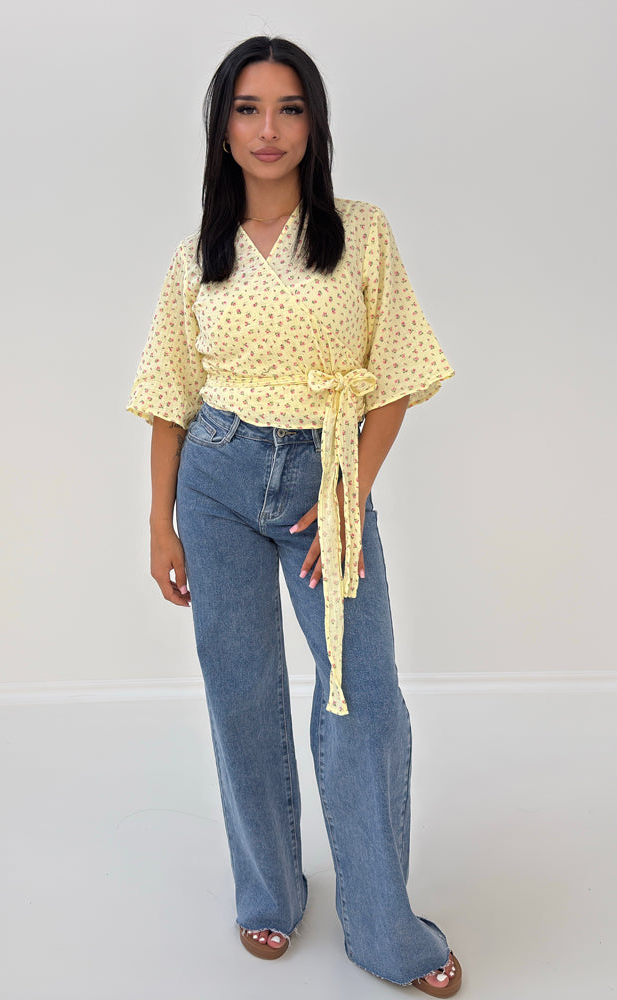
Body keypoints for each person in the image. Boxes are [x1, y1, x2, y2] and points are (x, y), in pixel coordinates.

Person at [127, 35, 461, 996]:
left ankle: (384, 929)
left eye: (289, 107)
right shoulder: (197, 257)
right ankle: (268, 892)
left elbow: (396, 374)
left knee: (364, 696)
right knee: (239, 690)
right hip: (217, 480)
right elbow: (170, 396)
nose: (267, 129)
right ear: (222, 127)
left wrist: (349, 488)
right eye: (247, 108)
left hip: (328, 478)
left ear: (315, 123)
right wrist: (160, 522)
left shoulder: (361, 233)